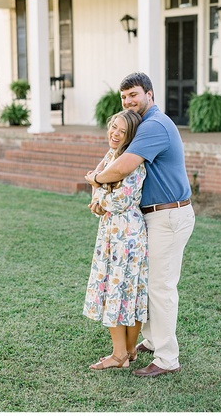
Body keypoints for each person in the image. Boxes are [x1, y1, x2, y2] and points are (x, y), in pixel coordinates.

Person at [85, 72, 195, 378]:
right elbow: (115, 163)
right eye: (124, 97)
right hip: (152, 215)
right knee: (146, 283)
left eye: (134, 94)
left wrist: (94, 179)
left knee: (160, 287)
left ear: (150, 94)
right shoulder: (142, 126)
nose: (129, 101)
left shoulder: (154, 125)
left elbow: (121, 168)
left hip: (168, 215)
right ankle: (150, 339)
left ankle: (167, 358)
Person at [83, 109, 148, 370]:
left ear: (130, 136)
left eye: (122, 131)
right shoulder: (112, 155)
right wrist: (98, 200)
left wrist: (100, 200)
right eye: (113, 126)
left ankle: (122, 353)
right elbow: (95, 179)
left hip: (126, 235)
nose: (115, 133)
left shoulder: (133, 162)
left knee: (123, 290)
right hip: (112, 230)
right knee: (120, 288)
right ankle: (127, 351)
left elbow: (122, 199)